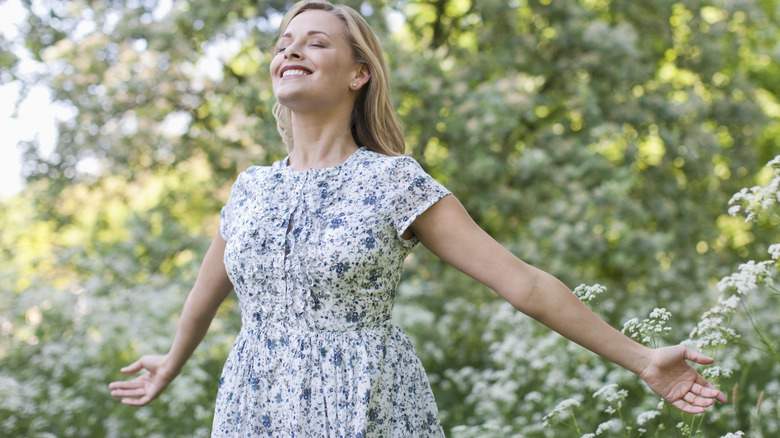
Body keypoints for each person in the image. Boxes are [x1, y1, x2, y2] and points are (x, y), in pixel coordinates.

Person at [109, 1, 728, 436]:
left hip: (366, 403)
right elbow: (205, 293)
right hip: (253, 405)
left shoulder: (395, 182)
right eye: (283, 44)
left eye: (316, 41)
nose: (291, 49)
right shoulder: (250, 189)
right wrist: (171, 359)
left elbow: (525, 284)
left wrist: (641, 358)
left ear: (359, 74)